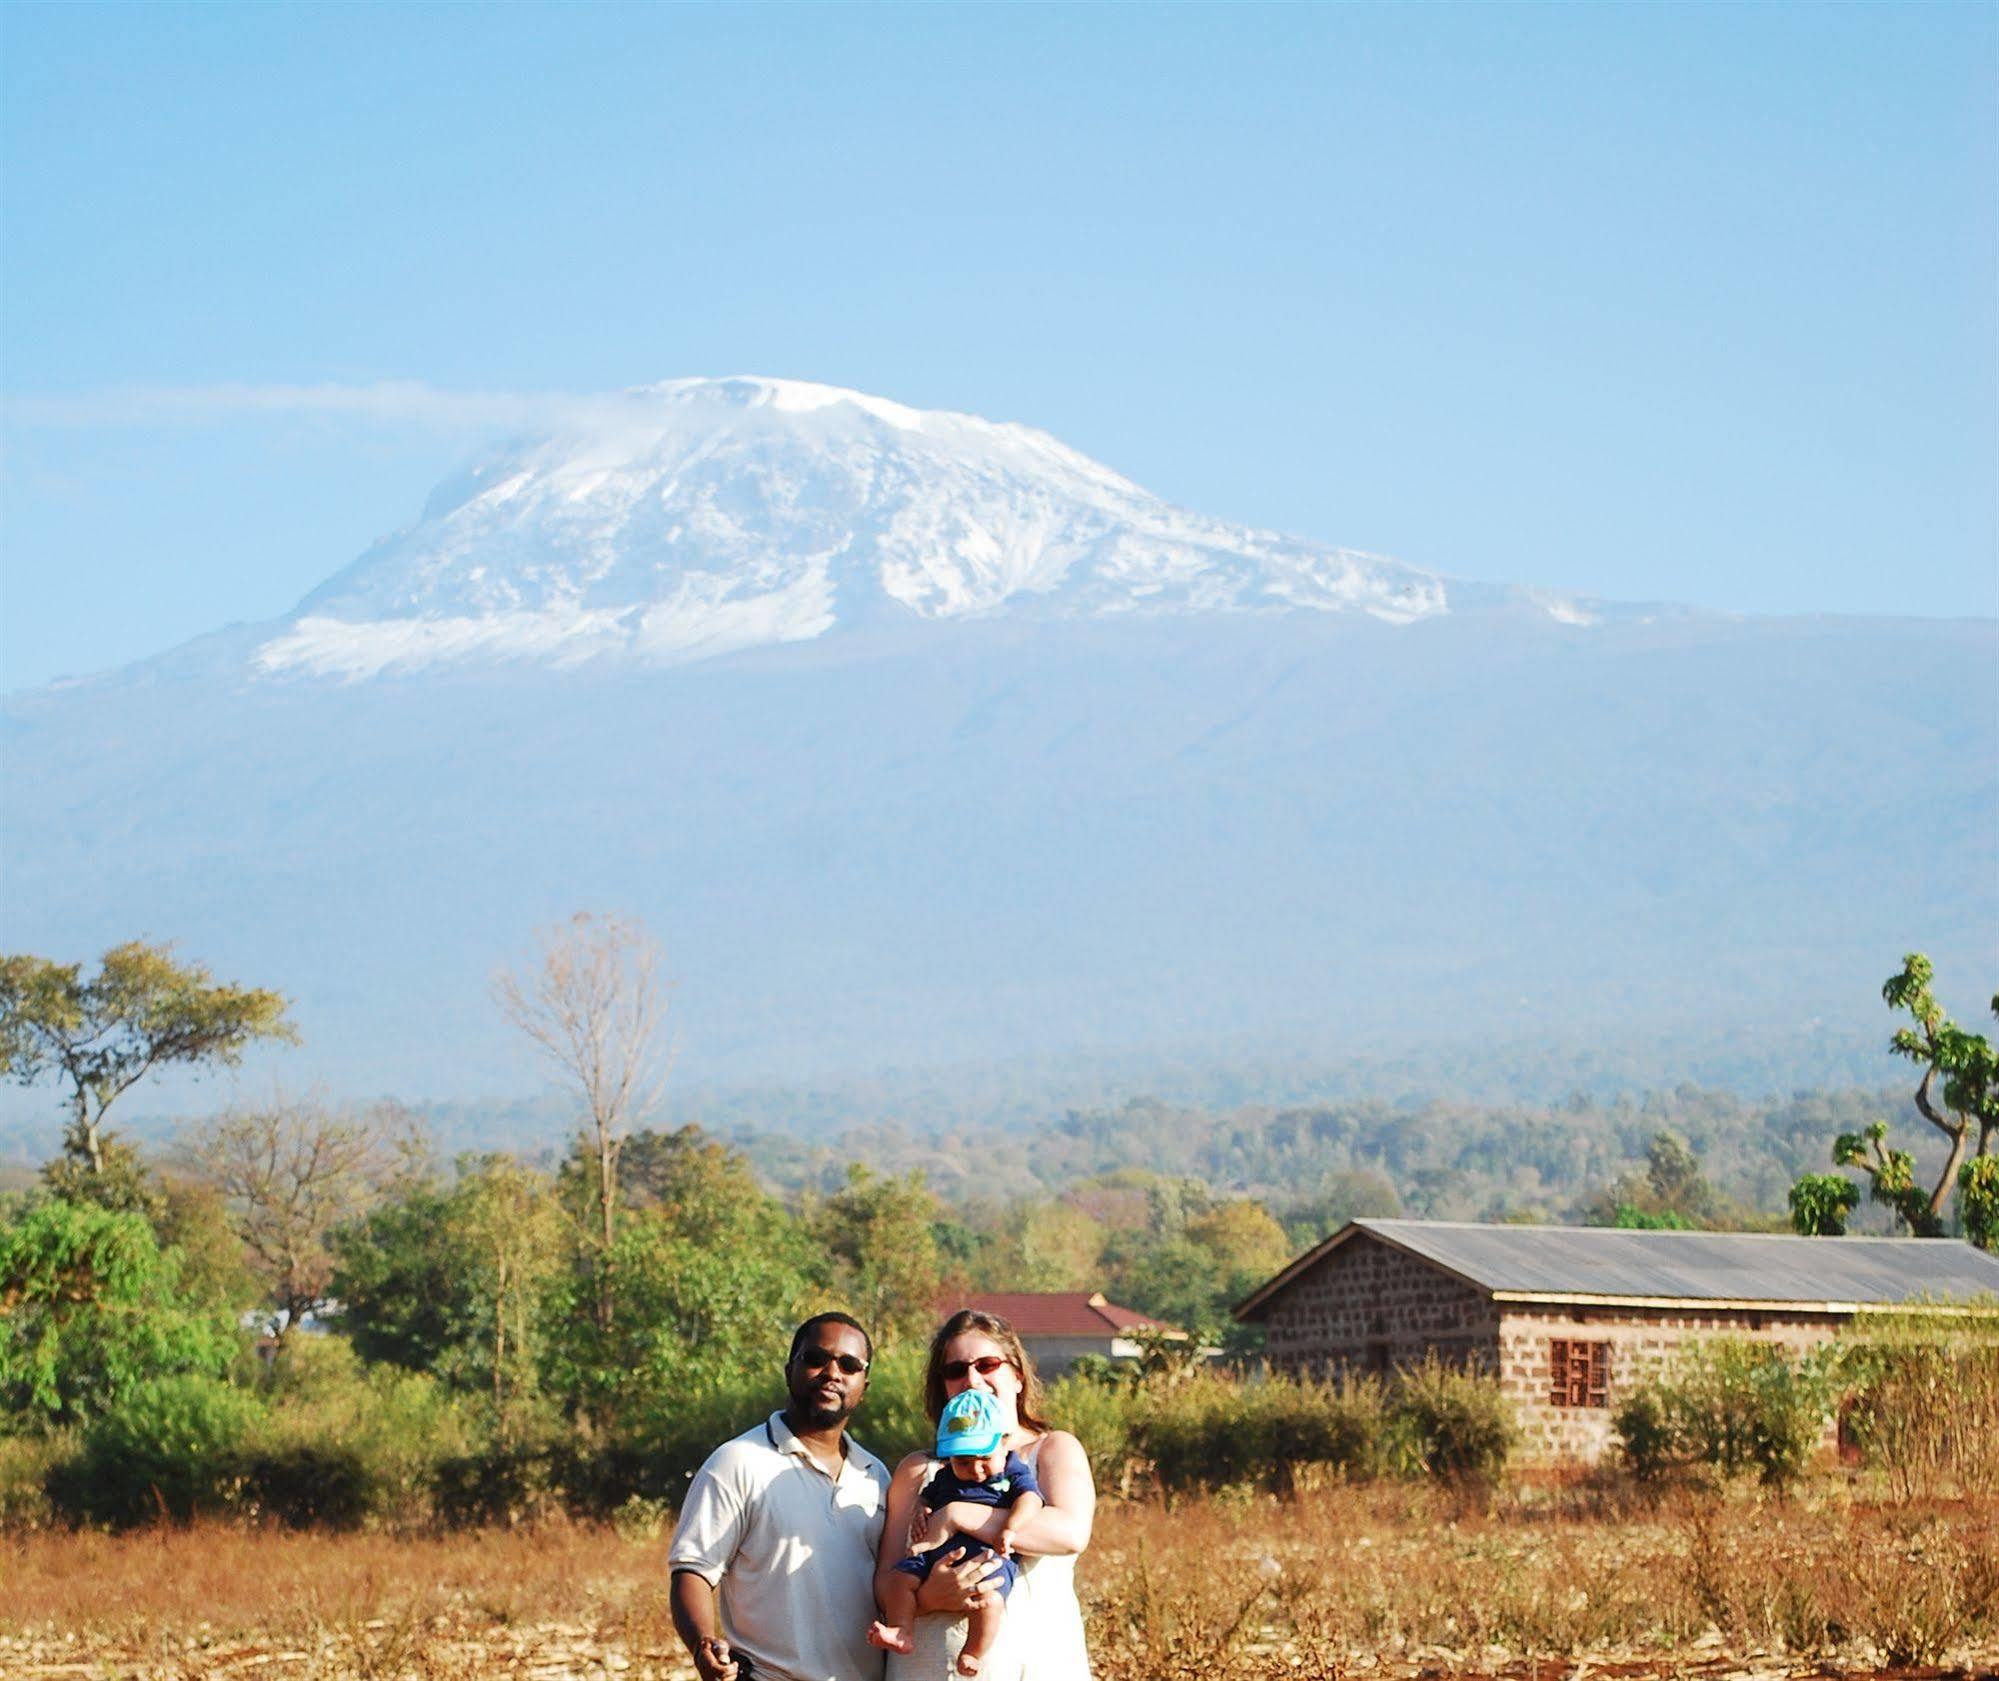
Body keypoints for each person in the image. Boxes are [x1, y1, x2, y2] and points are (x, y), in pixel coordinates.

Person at [668, 1313, 892, 1681]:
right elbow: (692, 1570)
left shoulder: (877, 1476)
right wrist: (703, 1645)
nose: (832, 1373)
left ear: (864, 1386)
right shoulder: (737, 1461)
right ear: (789, 1371)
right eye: (816, 1359)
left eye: (849, 1365)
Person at [876, 1311, 1095, 1681]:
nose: (972, 1379)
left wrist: (958, 1515)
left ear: (1018, 1375)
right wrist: (930, 1598)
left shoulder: (1052, 1450)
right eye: (956, 1370)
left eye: (987, 1364)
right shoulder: (919, 1469)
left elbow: (1069, 1533)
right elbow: (885, 1582)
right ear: (942, 1385)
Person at [868, 1390, 1044, 1675]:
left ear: (1004, 1443)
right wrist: (921, 1510)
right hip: (934, 1552)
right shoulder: (945, 1474)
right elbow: (927, 1496)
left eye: (984, 1458)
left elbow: (1031, 1499)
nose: (975, 1470)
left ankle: (974, 1651)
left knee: (990, 1601)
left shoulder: (1013, 1470)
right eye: (962, 1462)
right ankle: (901, 1630)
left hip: (987, 1556)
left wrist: (1010, 1527)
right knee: (899, 1581)